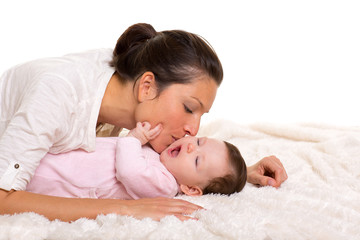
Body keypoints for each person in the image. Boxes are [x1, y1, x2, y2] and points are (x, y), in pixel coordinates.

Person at [0, 23, 287, 222]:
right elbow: (3, 198)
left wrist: (234, 173)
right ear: (147, 87)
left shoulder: (124, 75)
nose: (194, 130)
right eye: (189, 108)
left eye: (201, 116)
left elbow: (158, 162)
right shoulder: (58, 95)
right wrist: (127, 210)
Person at [26, 122, 247, 199]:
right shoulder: (161, 158)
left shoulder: (165, 186)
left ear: (190, 189)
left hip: (58, 178)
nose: (190, 146)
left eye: (197, 160)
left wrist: (135, 139)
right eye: (199, 142)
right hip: (65, 154)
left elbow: (130, 172)